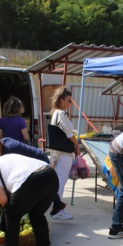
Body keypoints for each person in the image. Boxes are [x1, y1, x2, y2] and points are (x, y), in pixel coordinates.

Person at [0, 131, 69, 218]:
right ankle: (57, 204)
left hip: (39, 160)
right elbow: (0, 157)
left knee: (44, 184)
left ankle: (56, 205)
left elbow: (1, 177)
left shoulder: (9, 150)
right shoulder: (4, 140)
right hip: (37, 157)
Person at [49, 87, 80, 220]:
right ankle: (57, 210)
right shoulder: (61, 114)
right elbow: (69, 134)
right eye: (68, 101)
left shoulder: (55, 113)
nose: (69, 104)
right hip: (64, 152)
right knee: (61, 180)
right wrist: (77, 144)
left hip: (57, 152)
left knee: (58, 179)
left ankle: (55, 206)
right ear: (61, 100)